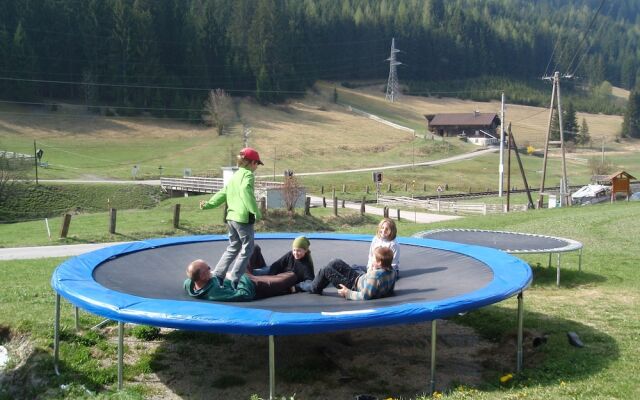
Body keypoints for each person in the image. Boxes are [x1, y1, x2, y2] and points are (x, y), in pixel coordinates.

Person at [199, 147, 263, 289]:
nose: (257, 166)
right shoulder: (248, 175)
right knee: (248, 248)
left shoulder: (236, 175)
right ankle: (234, 278)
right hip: (242, 218)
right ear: (252, 163)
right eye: (257, 163)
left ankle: (218, 275)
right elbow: (246, 191)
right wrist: (255, 211)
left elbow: (223, 192)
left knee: (233, 247)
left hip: (231, 218)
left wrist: (209, 204)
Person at [184, 259, 298, 301]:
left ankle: (267, 271)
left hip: (239, 276)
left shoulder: (190, 283)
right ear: (203, 276)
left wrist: (214, 273)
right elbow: (245, 294)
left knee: (252, 248)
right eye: (208, 268)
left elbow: (190, 277)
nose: (211, 268)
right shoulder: (214, 291)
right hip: (252, 284)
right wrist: (237, 276)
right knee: (291, 276)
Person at [309, 246, 396, 301]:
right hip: (358, 278)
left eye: (373, 257)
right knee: (335, 262)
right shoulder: (392, 271)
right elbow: (390, 290)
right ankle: (320, 282)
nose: (372, 258)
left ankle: (311, 287)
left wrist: (348, 293)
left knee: (326, 270)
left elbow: (365, 296)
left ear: (379, 262)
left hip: (352, 287)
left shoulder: (375, 276)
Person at [248, 236, 315, 292]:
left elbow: (309, 282)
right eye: (294, 250)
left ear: (305, 250)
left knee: (255, 277)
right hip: (274, 273)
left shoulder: (307, 265)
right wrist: (271, 275)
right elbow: (277, 264)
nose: (296, 253)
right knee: (255, 248)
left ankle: (248, 279)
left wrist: (296, 287)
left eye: (299, 251)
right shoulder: (290, 255)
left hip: (281, 279)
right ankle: (242, 273)